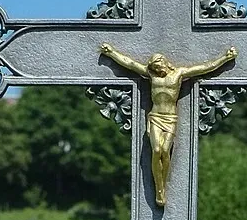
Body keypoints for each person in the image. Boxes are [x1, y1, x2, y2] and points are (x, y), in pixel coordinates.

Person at [100, 43, 237, 206]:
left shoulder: (179, 74)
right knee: (156, 150)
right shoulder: (151, 75)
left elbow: (205, 67)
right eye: (155, 69)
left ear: (164, 62)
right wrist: (112, 53)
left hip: (170, 117)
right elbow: (130, 63)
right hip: (155, 116)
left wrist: (225, 58)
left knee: (165, 151)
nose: (158, 71)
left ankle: (163, 185)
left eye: (159, 67)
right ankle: (159, 189)